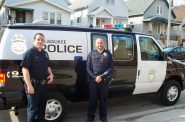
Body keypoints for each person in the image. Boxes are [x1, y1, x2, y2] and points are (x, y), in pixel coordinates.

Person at [21, 33, 53, 122]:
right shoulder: (30, 53)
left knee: (42, 109)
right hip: (33, 85)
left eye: (42, 40)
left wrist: (51, 74)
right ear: (34, 40)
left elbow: (48, 66)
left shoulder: (45, 54)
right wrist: (29, 85)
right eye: (38, 39)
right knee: (32, 110)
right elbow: (25, 69)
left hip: (43, 85)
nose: (40, 41)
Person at [86, 38, 113, 122]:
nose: (99, 44)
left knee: (103, 100)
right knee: (92, 100)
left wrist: (101, 76)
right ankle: (90, 117)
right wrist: (95, 77)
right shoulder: (91, 54)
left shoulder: (108, 54)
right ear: (95, 44)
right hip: (93, 81)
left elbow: (110, 68)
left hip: (104, 81)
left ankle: (103, 117)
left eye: (101, 43)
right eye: (98, 43)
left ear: (103, 43)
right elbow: (88, 68)